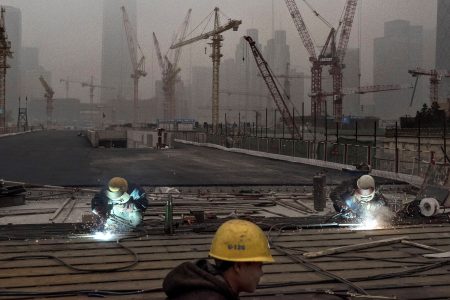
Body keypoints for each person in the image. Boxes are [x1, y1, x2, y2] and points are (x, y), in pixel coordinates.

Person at [163, 219, 274, 300]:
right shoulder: (211, 296)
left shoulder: (204, 287)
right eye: (259, 266)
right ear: (238, 266)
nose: (261, 273)